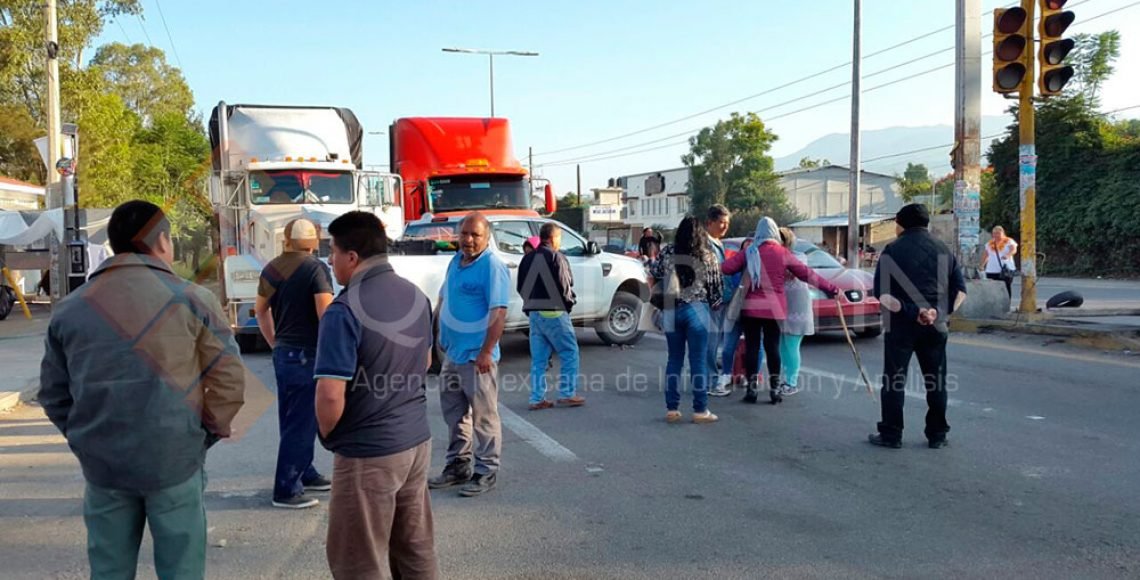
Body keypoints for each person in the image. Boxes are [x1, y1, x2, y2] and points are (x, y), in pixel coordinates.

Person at [39, 200, 246, 579]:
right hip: (175, 458)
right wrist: (205, 434)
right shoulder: (193, 300)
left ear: (115, 243)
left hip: (104, 465)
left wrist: (86, 438)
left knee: (109, 569)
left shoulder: (70, 308)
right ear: (162, 241)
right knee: (181, 568)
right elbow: (228, 380)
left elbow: (53, 393)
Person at [313, 211, 438, 579]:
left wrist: (330, 435)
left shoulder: (344, 310)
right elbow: (425, 361)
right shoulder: (416, 296)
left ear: (352, 257)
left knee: (358, 560)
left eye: (333, 252)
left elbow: (330, 394)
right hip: (416, 443)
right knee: (415, 549)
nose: (330, 261)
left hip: (368, 451)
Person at [870, 203, 967, 450]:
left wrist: (913, 312)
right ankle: (937, 434)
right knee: (936, 380)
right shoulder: (944, 249)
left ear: (901, 224)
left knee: (894, 380)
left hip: (901, 326)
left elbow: (882, 295)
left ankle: (892, 434)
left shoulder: (892, 250)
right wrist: (937, 313)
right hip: (936, 326)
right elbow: (960, 292)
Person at [255, 218, 334, 509]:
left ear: (286, 239)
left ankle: (305, 471)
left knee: (292, 419)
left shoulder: (272, 268)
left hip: (285, 352)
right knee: (302, 421)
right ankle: (287, 489)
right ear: (314, 242)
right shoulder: (316, 268)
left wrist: (274, 341)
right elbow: (326, 314)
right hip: (308, 353)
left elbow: (260, 310)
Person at [429, 212, 509, 497]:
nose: (469, 239)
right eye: (464, 233)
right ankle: (458, 466)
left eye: (475, 235)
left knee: (484, 417)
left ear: (487, 238)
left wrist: (486, 351)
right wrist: (436, 339)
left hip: (477, 358)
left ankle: (486, 471)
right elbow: (443, 300)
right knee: (455, 415)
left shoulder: (492, 266)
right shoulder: (455, 261)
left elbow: (499, 311)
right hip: (452, 355)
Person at [721, 217, 839, 405]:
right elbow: (807, 274)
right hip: (774, 309)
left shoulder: (749, 251)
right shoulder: (782, 252)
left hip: (751, 309)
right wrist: (832, 289)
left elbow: (726, 268)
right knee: (772, 347)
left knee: (752, 348)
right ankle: (774, 390)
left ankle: (752, 390)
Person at [650, 215, 723, 424]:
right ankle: (700, 410)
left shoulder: (668, 252)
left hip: (671, 310)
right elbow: (716, 290)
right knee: (698, 361)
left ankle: (672, 409)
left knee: (674, 359)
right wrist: (714, 304)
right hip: (697, 310)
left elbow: (654, 272)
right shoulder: (707, 255)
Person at [517, 222, 584, 410]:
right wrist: (567, 307)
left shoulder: (527, 258)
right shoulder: (557, 257)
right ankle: (567, 393)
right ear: (554, 238)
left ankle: (537, 398)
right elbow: (565, 286)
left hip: (534, 313)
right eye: (560, 238)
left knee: (539, 359)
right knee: (569, 352)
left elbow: (521, 287)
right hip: (554, 311)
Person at [777, 227, 817, 396]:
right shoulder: (777, 257)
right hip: (781, 307)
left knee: (792, 345)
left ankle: (791, 382)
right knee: (783, 346)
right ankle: (785, 379)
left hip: (797, 307)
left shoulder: (798, 258)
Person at [704, 205, 733, 398]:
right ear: (710, 222)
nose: (725, 226)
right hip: (711, 300)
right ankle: (710, 382)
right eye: (721, 222)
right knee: (710, 342)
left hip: (721, 299)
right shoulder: (706, 244)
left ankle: (707, 380)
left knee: (714, 342)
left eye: (727, 223)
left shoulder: (718, 243)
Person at [982, 225, 1018, 299]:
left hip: (1006, 269)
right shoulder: (989, 244)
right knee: (993, 289)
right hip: (991, 270)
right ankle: (995, 303)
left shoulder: (1009, 241)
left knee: (1006, 287)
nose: (996, 235)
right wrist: (982, 265)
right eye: (994, 233)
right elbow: (986, 255)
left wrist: (1008, 255)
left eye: (998, 233)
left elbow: (1014, 250)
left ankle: (1007, 303)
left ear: (1003, 233)